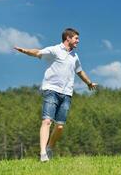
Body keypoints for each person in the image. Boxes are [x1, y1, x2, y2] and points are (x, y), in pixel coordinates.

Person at [14, 28, 97, 162]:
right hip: (51, 90)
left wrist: (89, 83)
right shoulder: (54, 50)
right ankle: (42, 154)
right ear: (68, 38)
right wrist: (25, 51)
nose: (78, 41)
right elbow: (38, 52)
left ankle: (49, 148)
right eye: (76, 38)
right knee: (47, 121)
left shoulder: (74, 56)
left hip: (66, 94)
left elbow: (80, 71)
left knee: (59, 126)